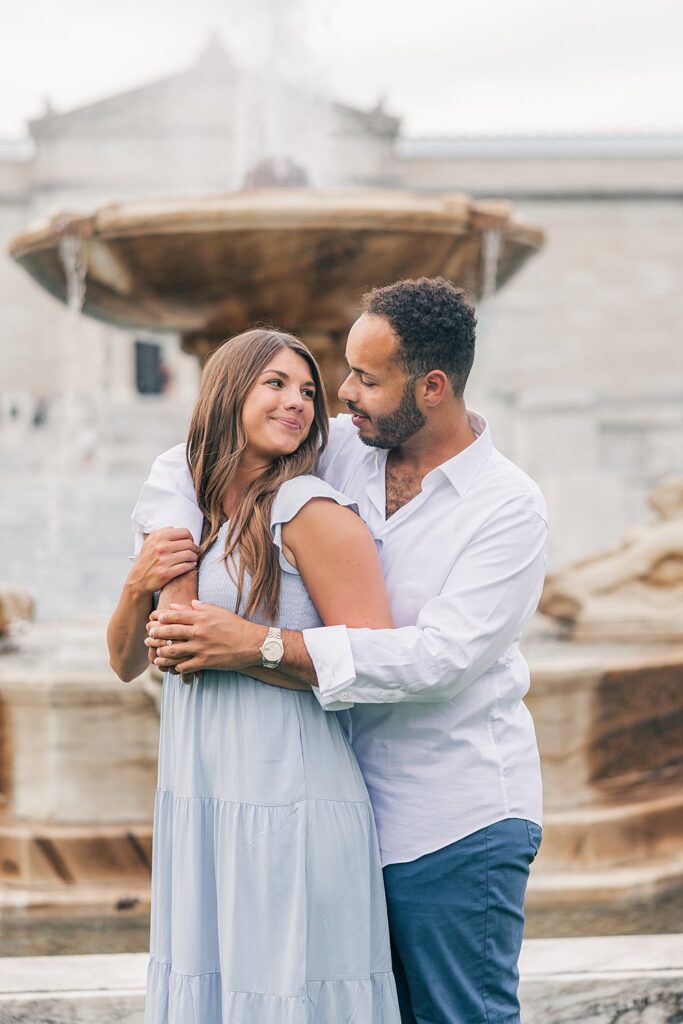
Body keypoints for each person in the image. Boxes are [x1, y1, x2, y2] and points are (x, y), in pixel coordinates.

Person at [141, 277, 549, 1024]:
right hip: (335, 813)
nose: (342, 393)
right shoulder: (348, 453)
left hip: (450, 821)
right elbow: (193, 459)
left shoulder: (509, 508)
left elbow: (438, 660)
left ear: (430, 387)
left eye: (365, 377)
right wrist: (176, 590)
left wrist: (257, 646)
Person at [108, 328, 401, 1023]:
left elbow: (375, 662)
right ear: (228, 389)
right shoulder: (188, 516)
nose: (298, 402)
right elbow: (125, 662)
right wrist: (135, 585)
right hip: (202, 795)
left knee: (287, 989)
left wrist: (248, 646)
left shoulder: (312, 513)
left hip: (288, 797)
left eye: (306, 391)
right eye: (275, 383)